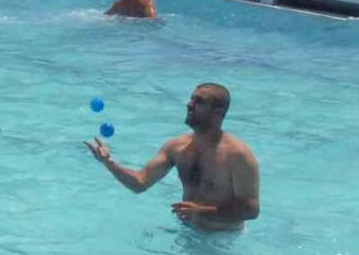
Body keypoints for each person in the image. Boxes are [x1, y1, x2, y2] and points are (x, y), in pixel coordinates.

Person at [84, 83, 259, 232]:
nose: (189, 104)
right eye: (191, 99)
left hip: (224, 239)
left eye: (198, 101)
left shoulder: (237, 155)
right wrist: (108, 163)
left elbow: (251, 209)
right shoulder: (176, 147)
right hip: (187, 231)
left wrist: (202, 211)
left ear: (218, 112)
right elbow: (140, 183)